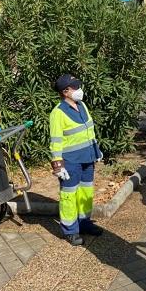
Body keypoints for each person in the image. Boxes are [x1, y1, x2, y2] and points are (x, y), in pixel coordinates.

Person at [49, 74, 104, 246]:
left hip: (88, 158)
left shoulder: (82, 105)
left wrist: (97, 150)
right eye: (74, 87)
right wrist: (58, 165)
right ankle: (70, 230)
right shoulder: (57, 113)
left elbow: (89, 131)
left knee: (86, 193)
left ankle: (84, 223)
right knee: (69, 196)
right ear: (65, 92)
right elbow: (55, 141)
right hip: (70, 162)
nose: (78, 89)